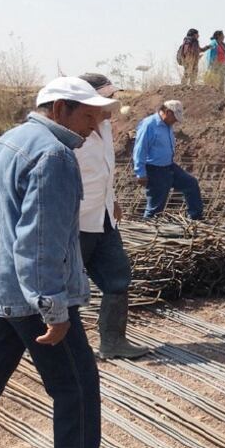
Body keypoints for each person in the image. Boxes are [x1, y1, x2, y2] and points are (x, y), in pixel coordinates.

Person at [0, 78, 139, 448]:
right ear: (60, 108)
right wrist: (52, 307)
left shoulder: (7, 142)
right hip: (29, 295)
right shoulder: (54, 155)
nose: (93, 127)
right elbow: (40, 241)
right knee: (76, 382)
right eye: (88, 117)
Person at [75, 73, 149, 360]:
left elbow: (102, 171)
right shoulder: (71, 133)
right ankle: (53, 347)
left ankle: (113, 341)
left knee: (118, 277)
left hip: (104, 218)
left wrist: (112, 199)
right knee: (66, 287)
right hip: (76, 222)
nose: (113, 105)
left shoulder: (105, 128)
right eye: (107, 99)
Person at [133, 100, 203, 220]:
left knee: (191, 184)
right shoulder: (149, 125)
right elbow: (140, 149)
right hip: (154, 170)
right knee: (156, 206)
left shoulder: (167, 125)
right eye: (174, 118)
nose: (175, 121)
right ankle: (148, 225)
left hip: (169, 166)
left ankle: (196, 217)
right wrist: (140, 173)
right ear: (168, 112)